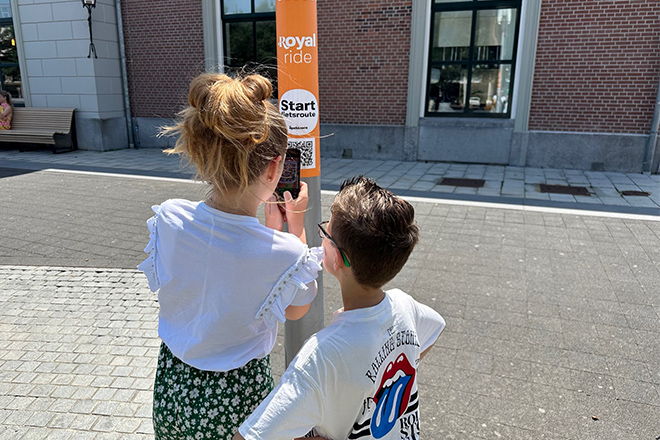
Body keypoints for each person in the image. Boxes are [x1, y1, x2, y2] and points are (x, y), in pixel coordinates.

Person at [137, 72, 323, 440]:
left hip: (173, 385)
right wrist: (293, 227)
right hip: (235, 396)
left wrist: (271, 237)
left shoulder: (169, 217)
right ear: (275, 168)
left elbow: (226, 259)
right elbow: (294, 308)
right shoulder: (286, 254)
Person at [234, 176, 446, 440]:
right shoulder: (405, 305)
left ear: (338, 257)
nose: (323, 236)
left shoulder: (320, 357)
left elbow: (249, 437)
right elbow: (436, 326)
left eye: (326, 232)